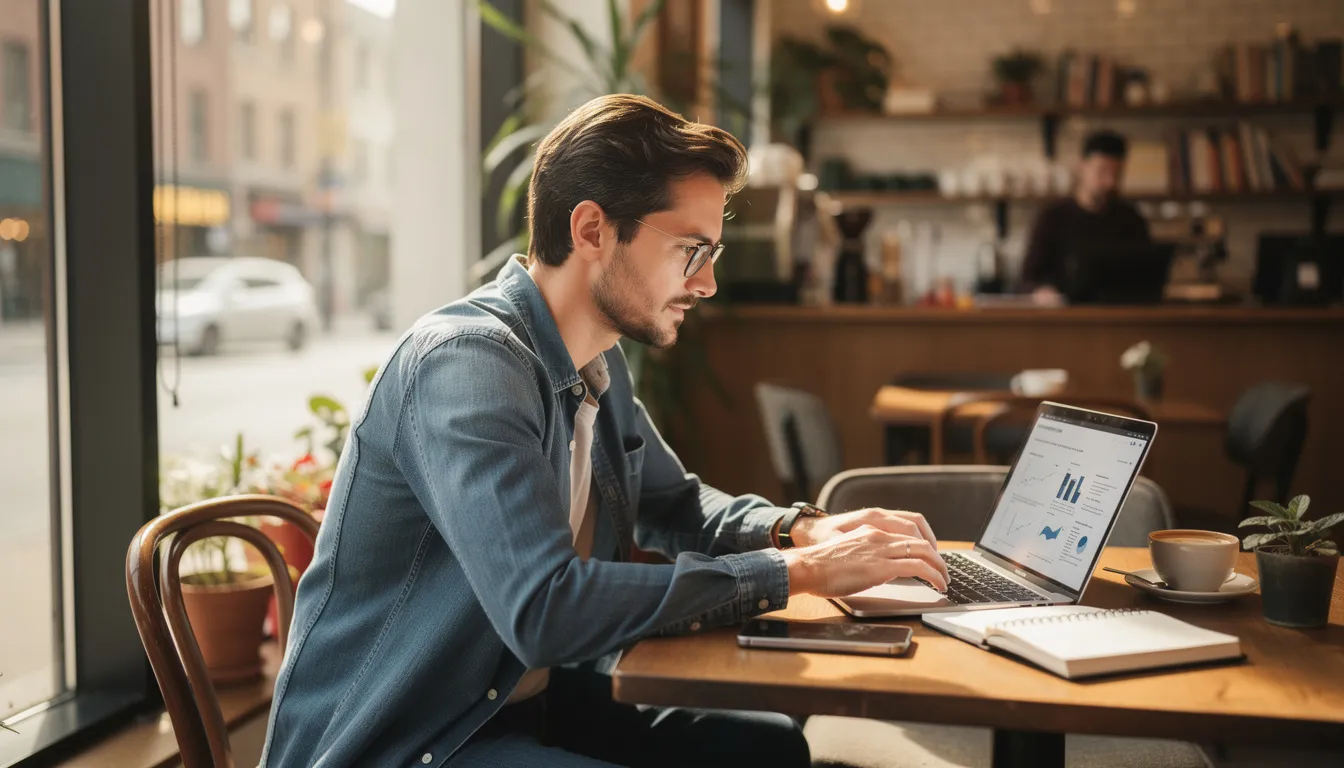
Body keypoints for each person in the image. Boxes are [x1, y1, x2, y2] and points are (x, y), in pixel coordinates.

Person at [260, 94, 949, 768]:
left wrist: (802, 531)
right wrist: (799, 573)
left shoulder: (593, 358)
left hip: (516, 706)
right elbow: (545, 609)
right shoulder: (467, 365)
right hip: (409, 740)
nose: (707, 283)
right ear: (592, 230)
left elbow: (676, 505)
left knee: (768, 745)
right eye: (691, 250)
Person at [1020, 129, 1151, 299]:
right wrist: (1041, 292)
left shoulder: (1131, 219)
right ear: (1082, 166)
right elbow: (1027, 279)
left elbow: (1146, 274)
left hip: (1119, 311)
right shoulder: (1052, 218)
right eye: (1102, 171)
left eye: (1117, 174)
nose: (1110, 182)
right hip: (1066, 311)